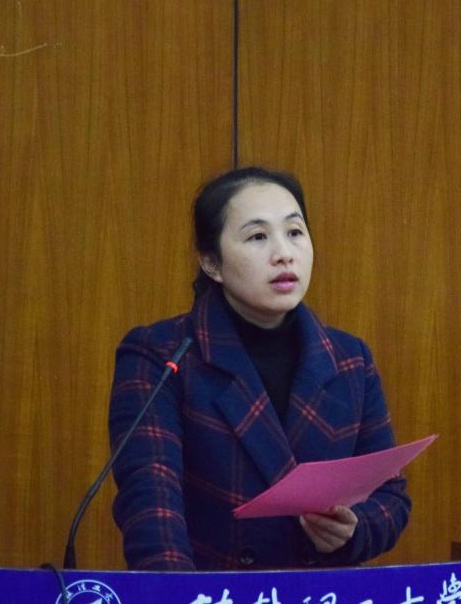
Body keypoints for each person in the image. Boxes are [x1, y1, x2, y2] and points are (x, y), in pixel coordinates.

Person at [109, 166, 411, 571]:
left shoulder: (349, 358)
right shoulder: (162, 355)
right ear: (211, 263)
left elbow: (391, 497)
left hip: (318, 594)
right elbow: (151, 505)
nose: (284, 253)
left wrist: (354, 530)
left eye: (295, 232)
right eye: (257, 237)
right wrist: (181, 594)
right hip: (213, 594)